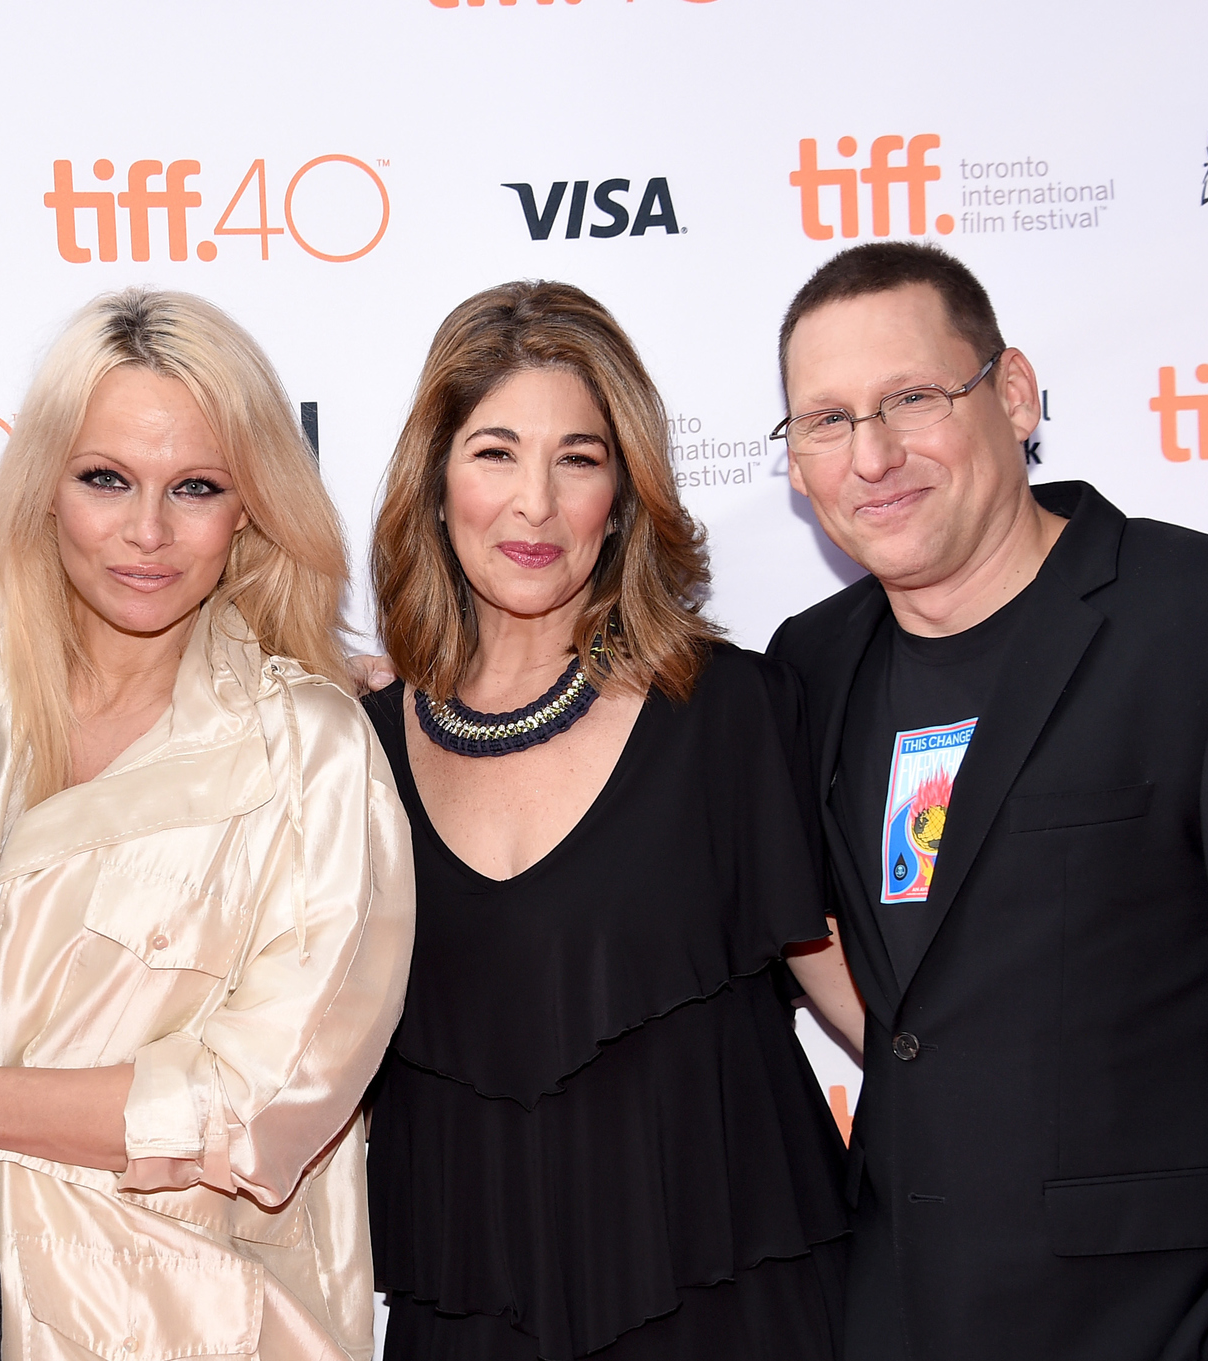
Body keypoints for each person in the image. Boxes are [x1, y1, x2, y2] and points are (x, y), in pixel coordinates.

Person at [766, 241, 1208, 1359]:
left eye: (911, 397)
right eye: (824, 420)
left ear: (1011, 394)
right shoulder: (808, 668)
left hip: (1165, 1326)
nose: (871, 454)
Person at [361, 279, 863, 1361]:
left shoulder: (727, 712)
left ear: (623, 495)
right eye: (494, 452)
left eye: (577, 459)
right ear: (435, 482)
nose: (534, 506)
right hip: (467, 1318)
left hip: (736, 1310)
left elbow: (870, 1011)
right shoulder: (346, 756)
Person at [0, 287, 413, 1361]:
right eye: (105, 479)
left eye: (194, 486)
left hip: (206, 1326)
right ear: (45, 488)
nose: (146, 530)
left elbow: (257, 1101)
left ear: (249, 509)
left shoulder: (308, 747)